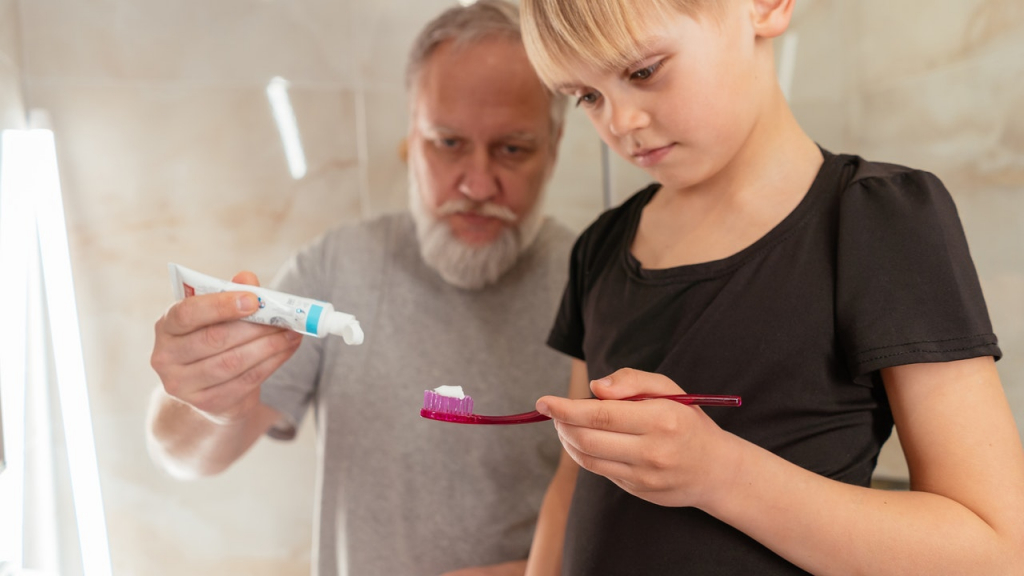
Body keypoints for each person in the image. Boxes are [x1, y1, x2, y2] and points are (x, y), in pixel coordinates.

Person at [516, 0, 1024, 574]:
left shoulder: (879, 219)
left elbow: (995, 553)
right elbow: (574, 476)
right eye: (587, 96)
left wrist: (717, 473)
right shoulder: (602, 246)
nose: (620, 122)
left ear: (764, 7)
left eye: (643, 71)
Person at [146, 2, 574, 575]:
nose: (476, 185)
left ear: (554, 146)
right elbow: (183, 457)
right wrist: (204, 399)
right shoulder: (337, 268)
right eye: (448, 143)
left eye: (512, 149)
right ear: (411, 137)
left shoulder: (593, 287)